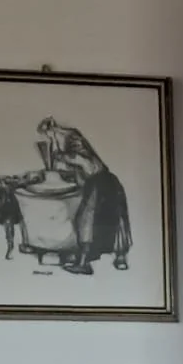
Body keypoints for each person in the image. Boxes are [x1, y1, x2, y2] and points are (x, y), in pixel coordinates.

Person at [33, 117, 131, 272]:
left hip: (98, 182)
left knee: (86, 220)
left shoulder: (74, 144)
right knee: (113, 219)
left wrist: (59, 152)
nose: (48, 138)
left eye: (47, 134)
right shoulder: (73, 145)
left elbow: (81, 160)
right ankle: (118, 259)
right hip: (106, 181)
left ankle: (84, 264)